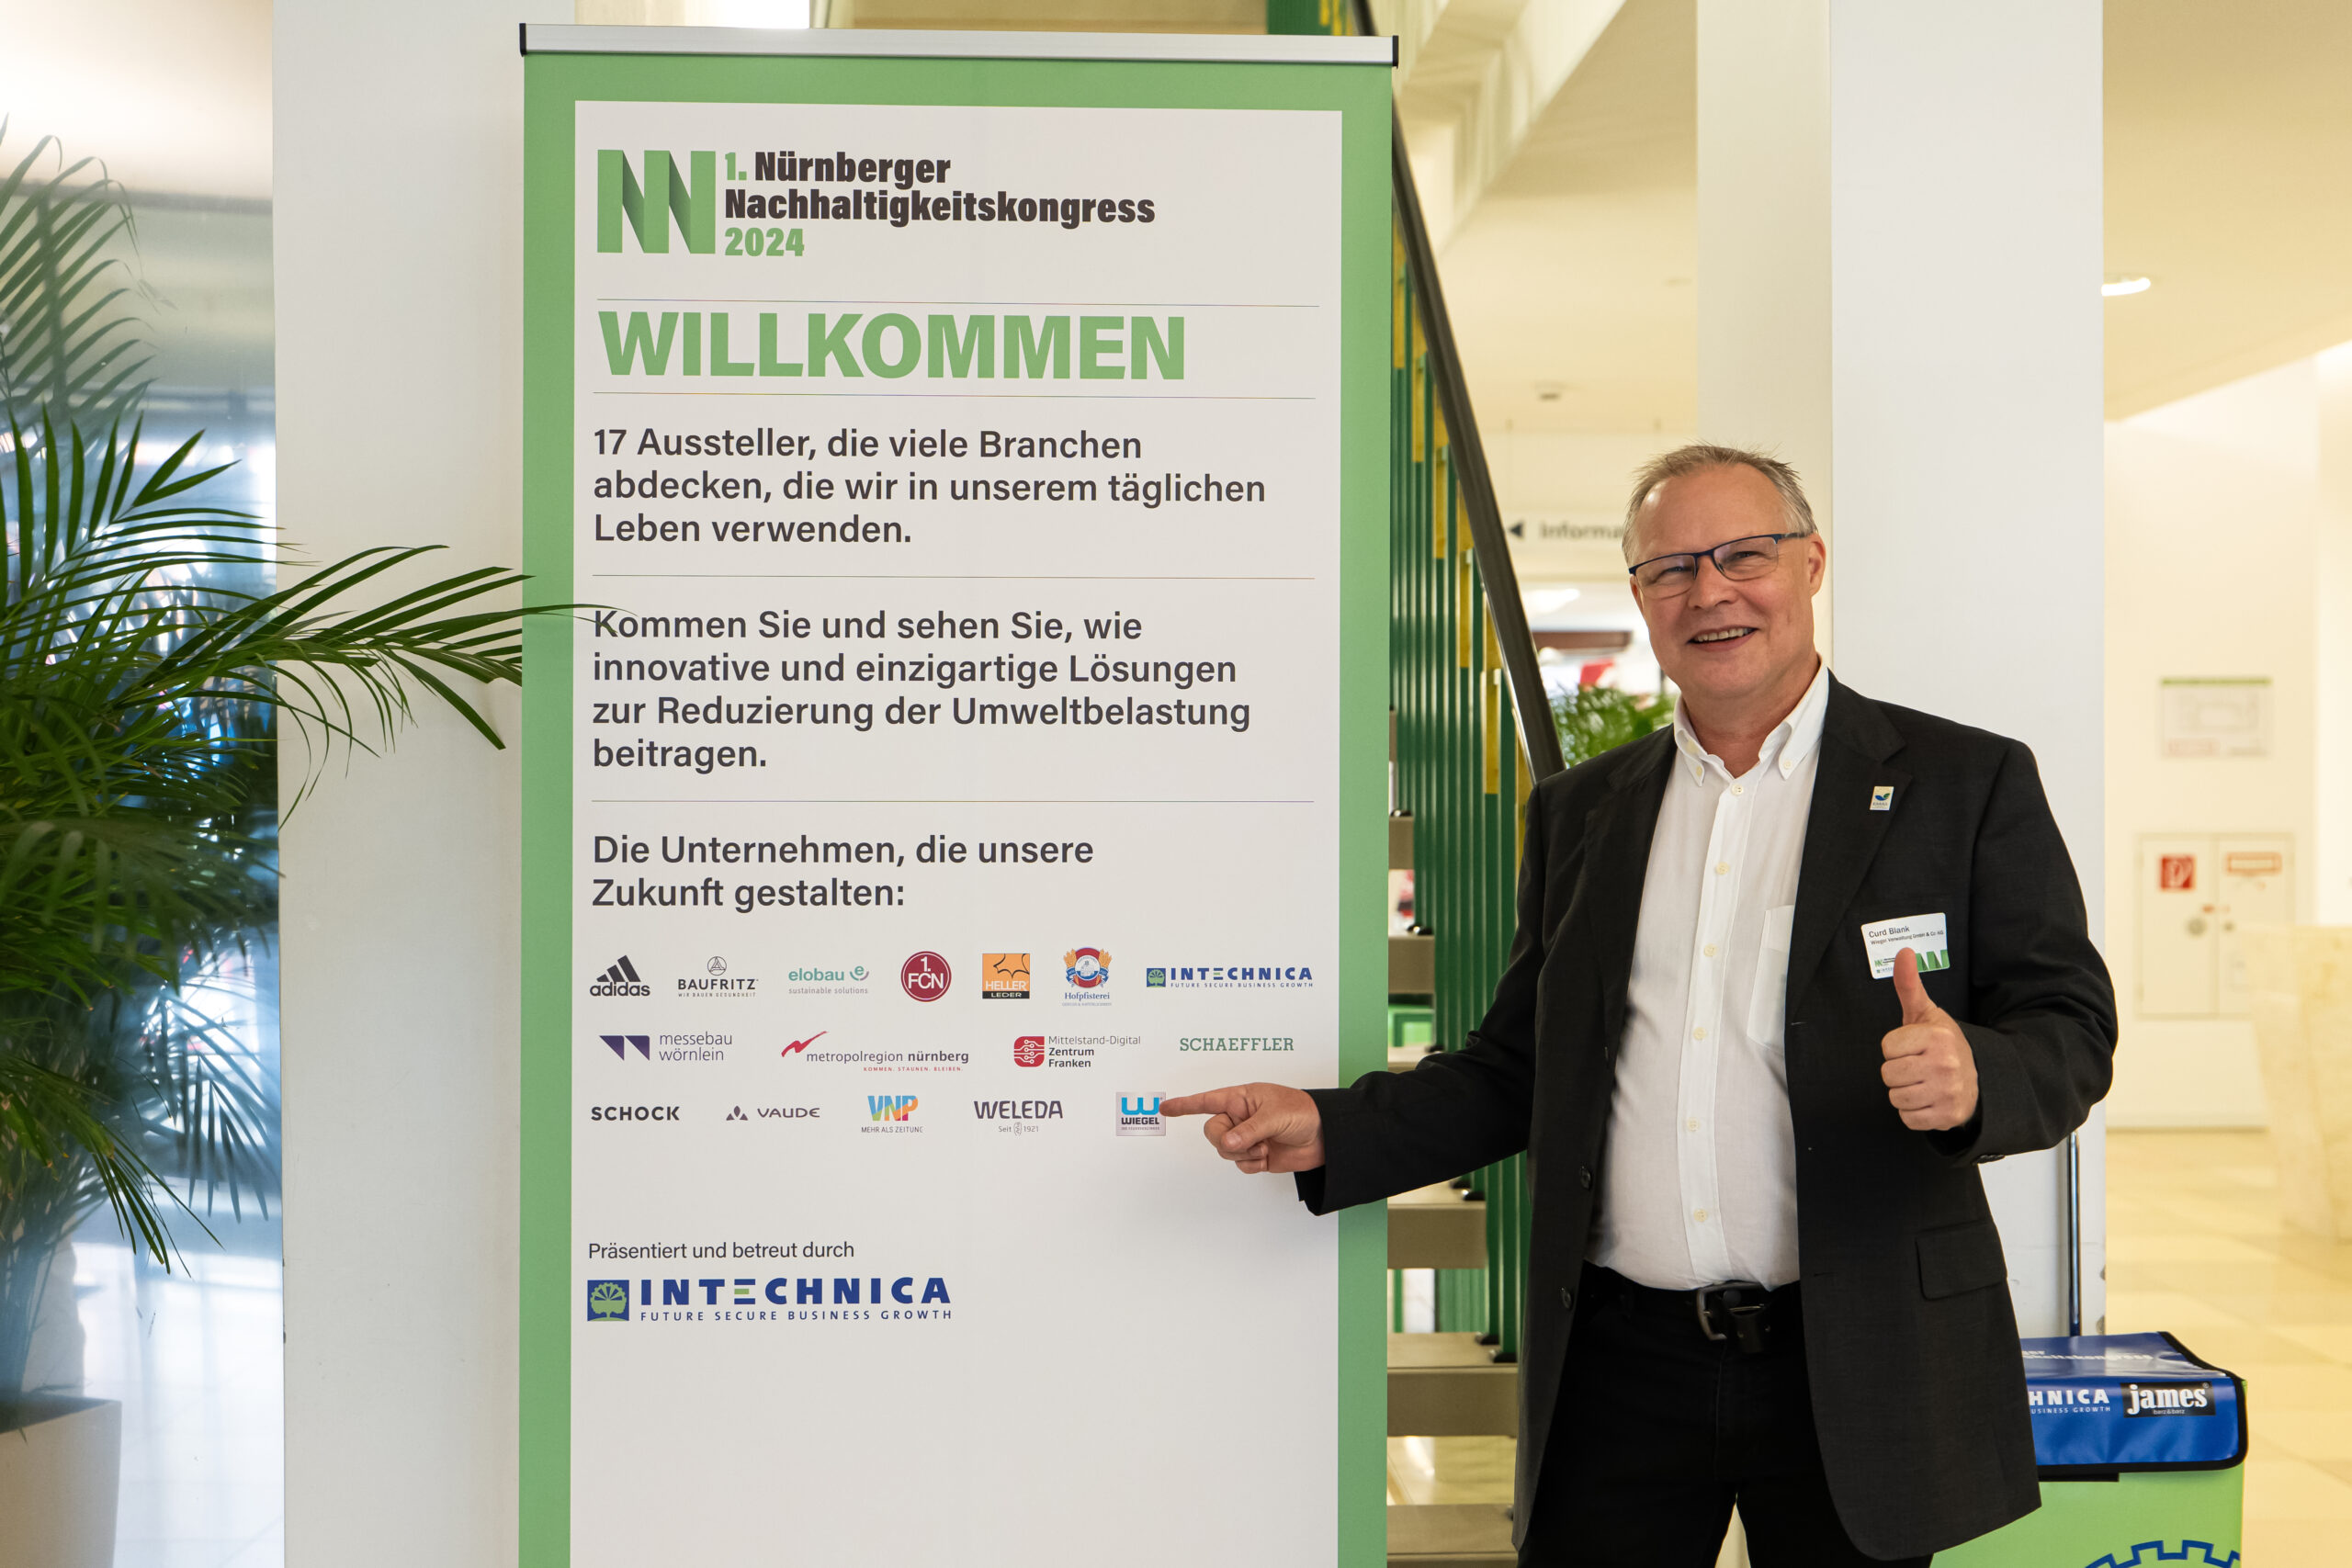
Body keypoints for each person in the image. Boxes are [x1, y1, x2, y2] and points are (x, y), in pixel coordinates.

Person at [1164, 445, 2117, 1566]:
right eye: (1670, 568)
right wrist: (1333, 1125)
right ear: (1639, 596)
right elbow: (1520, 1066)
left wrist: (1976, 1079)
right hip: (1620, 1366)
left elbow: (2068, 1023)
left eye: (1742, 556)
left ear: (1810, 564)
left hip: (1858, 1359)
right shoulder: (1582, 811)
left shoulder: (1962, 782)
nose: (1708, 592)